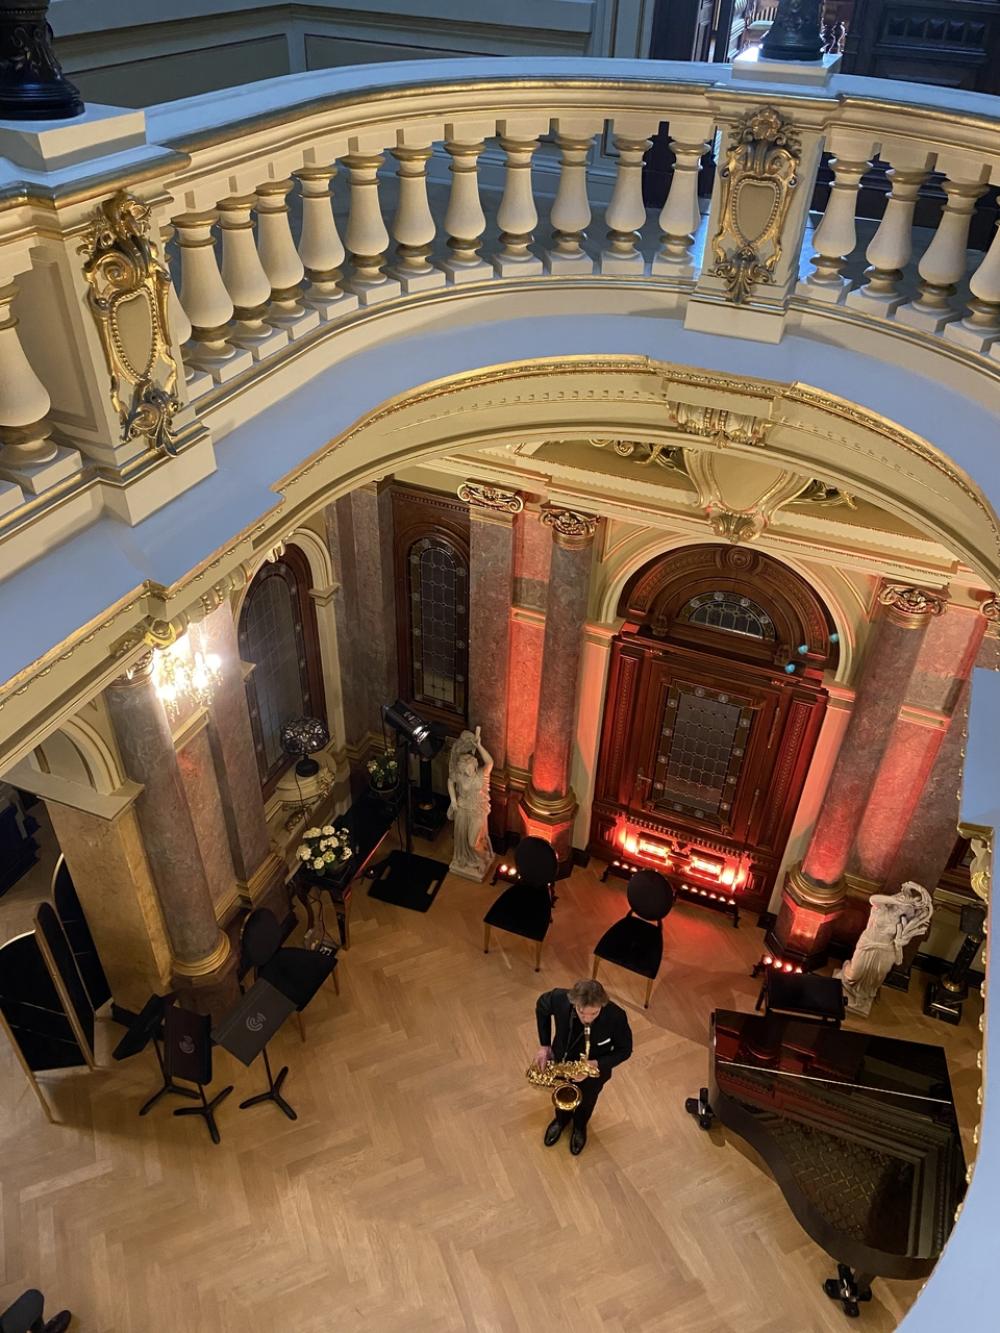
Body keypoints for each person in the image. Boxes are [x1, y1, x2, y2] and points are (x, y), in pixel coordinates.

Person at [533, 978, 632, 1156]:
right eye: (581, 1012)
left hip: (593, 1074)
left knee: (587, 1102)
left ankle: (579, 1127)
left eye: (594, 1013)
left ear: (602, 1005)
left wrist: (596, 1064)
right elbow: (541, 1006)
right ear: (574, 1002)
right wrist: (544, 1045)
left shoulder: (616, 1016)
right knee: (561, 1097)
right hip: (561, 1064)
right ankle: (561, 1121)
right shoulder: (559, 998)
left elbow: (625, 1050)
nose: (587, 1019)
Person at [446, 726, 493, 880]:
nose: (468, 772)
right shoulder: (460, 775)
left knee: (473, 841)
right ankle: (467, 859)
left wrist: (479, 746)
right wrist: (453, 800)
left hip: (477, 811)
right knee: (461, 838)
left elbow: (489, 762)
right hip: (462, 809)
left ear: (474, 765)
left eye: (470, 768)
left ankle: (482, 858)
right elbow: (450, 781)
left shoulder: (481, 775)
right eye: (465, 770)